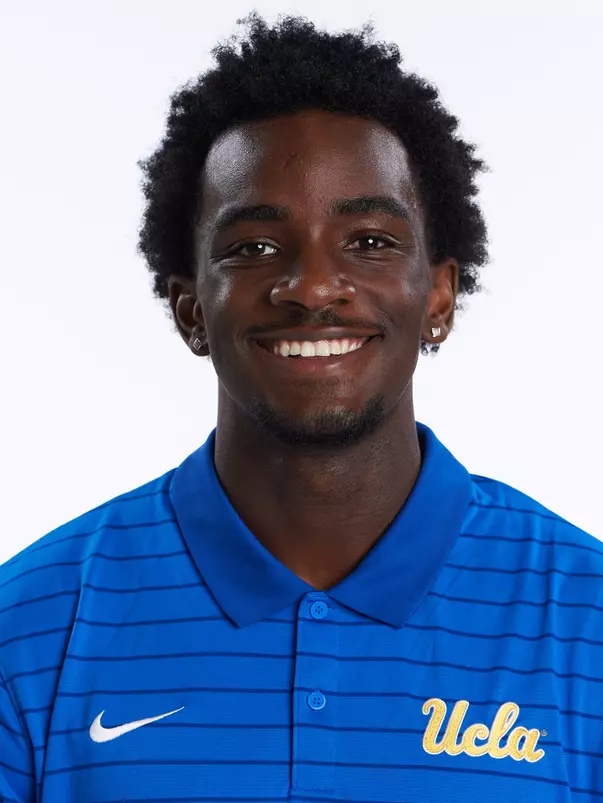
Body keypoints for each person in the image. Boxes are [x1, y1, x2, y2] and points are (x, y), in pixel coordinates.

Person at [1, 11, 601, 803]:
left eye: (369, 241)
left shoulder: (586, 621)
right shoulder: (29, 629)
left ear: (439, 297)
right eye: (252, 248)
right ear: (188, 309)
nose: (313, 287)